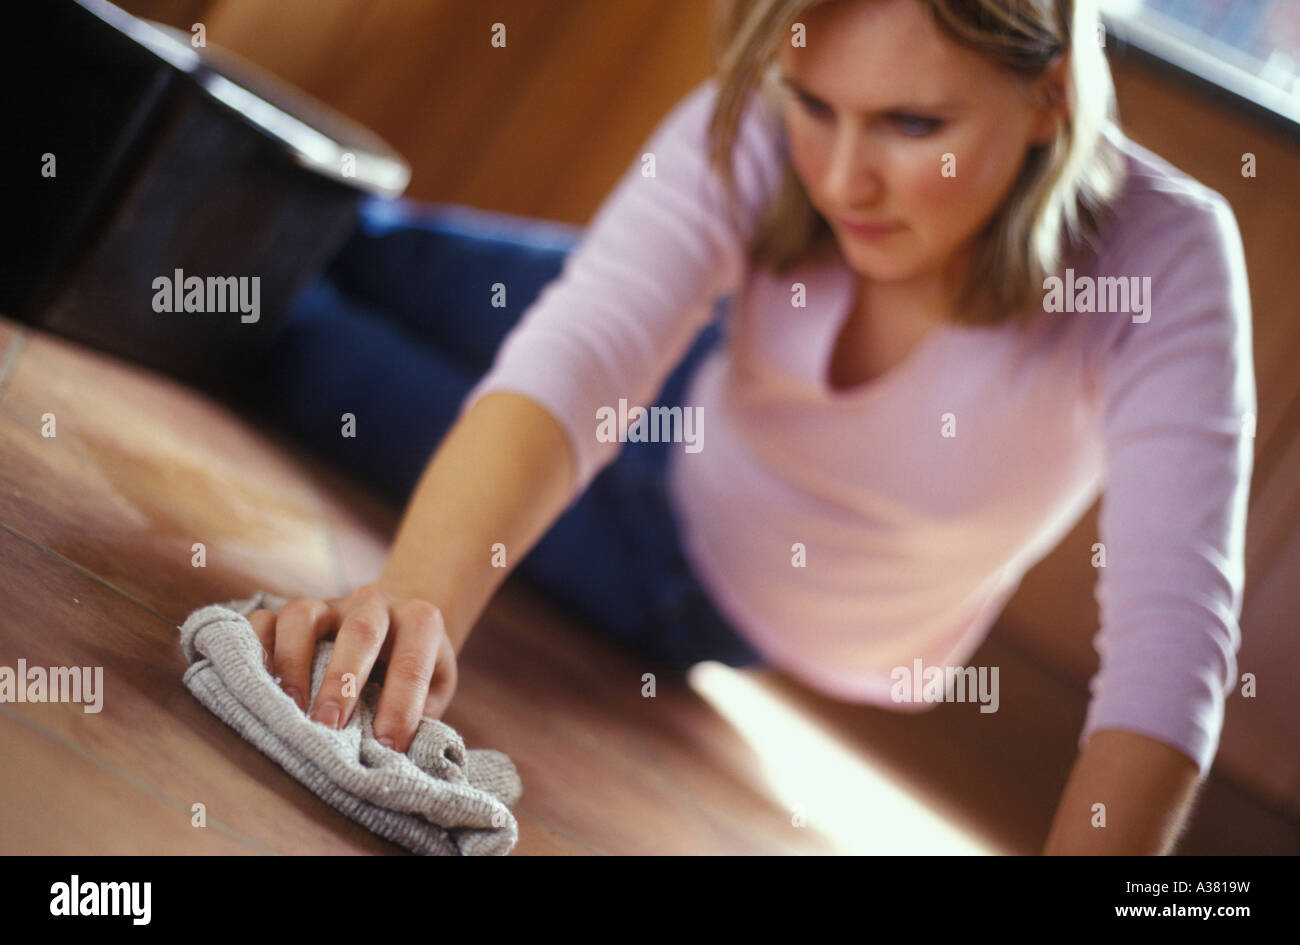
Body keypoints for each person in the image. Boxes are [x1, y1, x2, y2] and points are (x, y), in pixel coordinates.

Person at [233, 0, 1255, 855]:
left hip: (695, 568)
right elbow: (583, 353)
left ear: (1050, 96)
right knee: (302, 226)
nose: (844, 179)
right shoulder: (762, 128)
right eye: (812, 105)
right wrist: (411, 606)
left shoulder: (1167, 258)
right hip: (690, 363)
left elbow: (1173, 634)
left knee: (285, 332)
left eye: (911, 126)